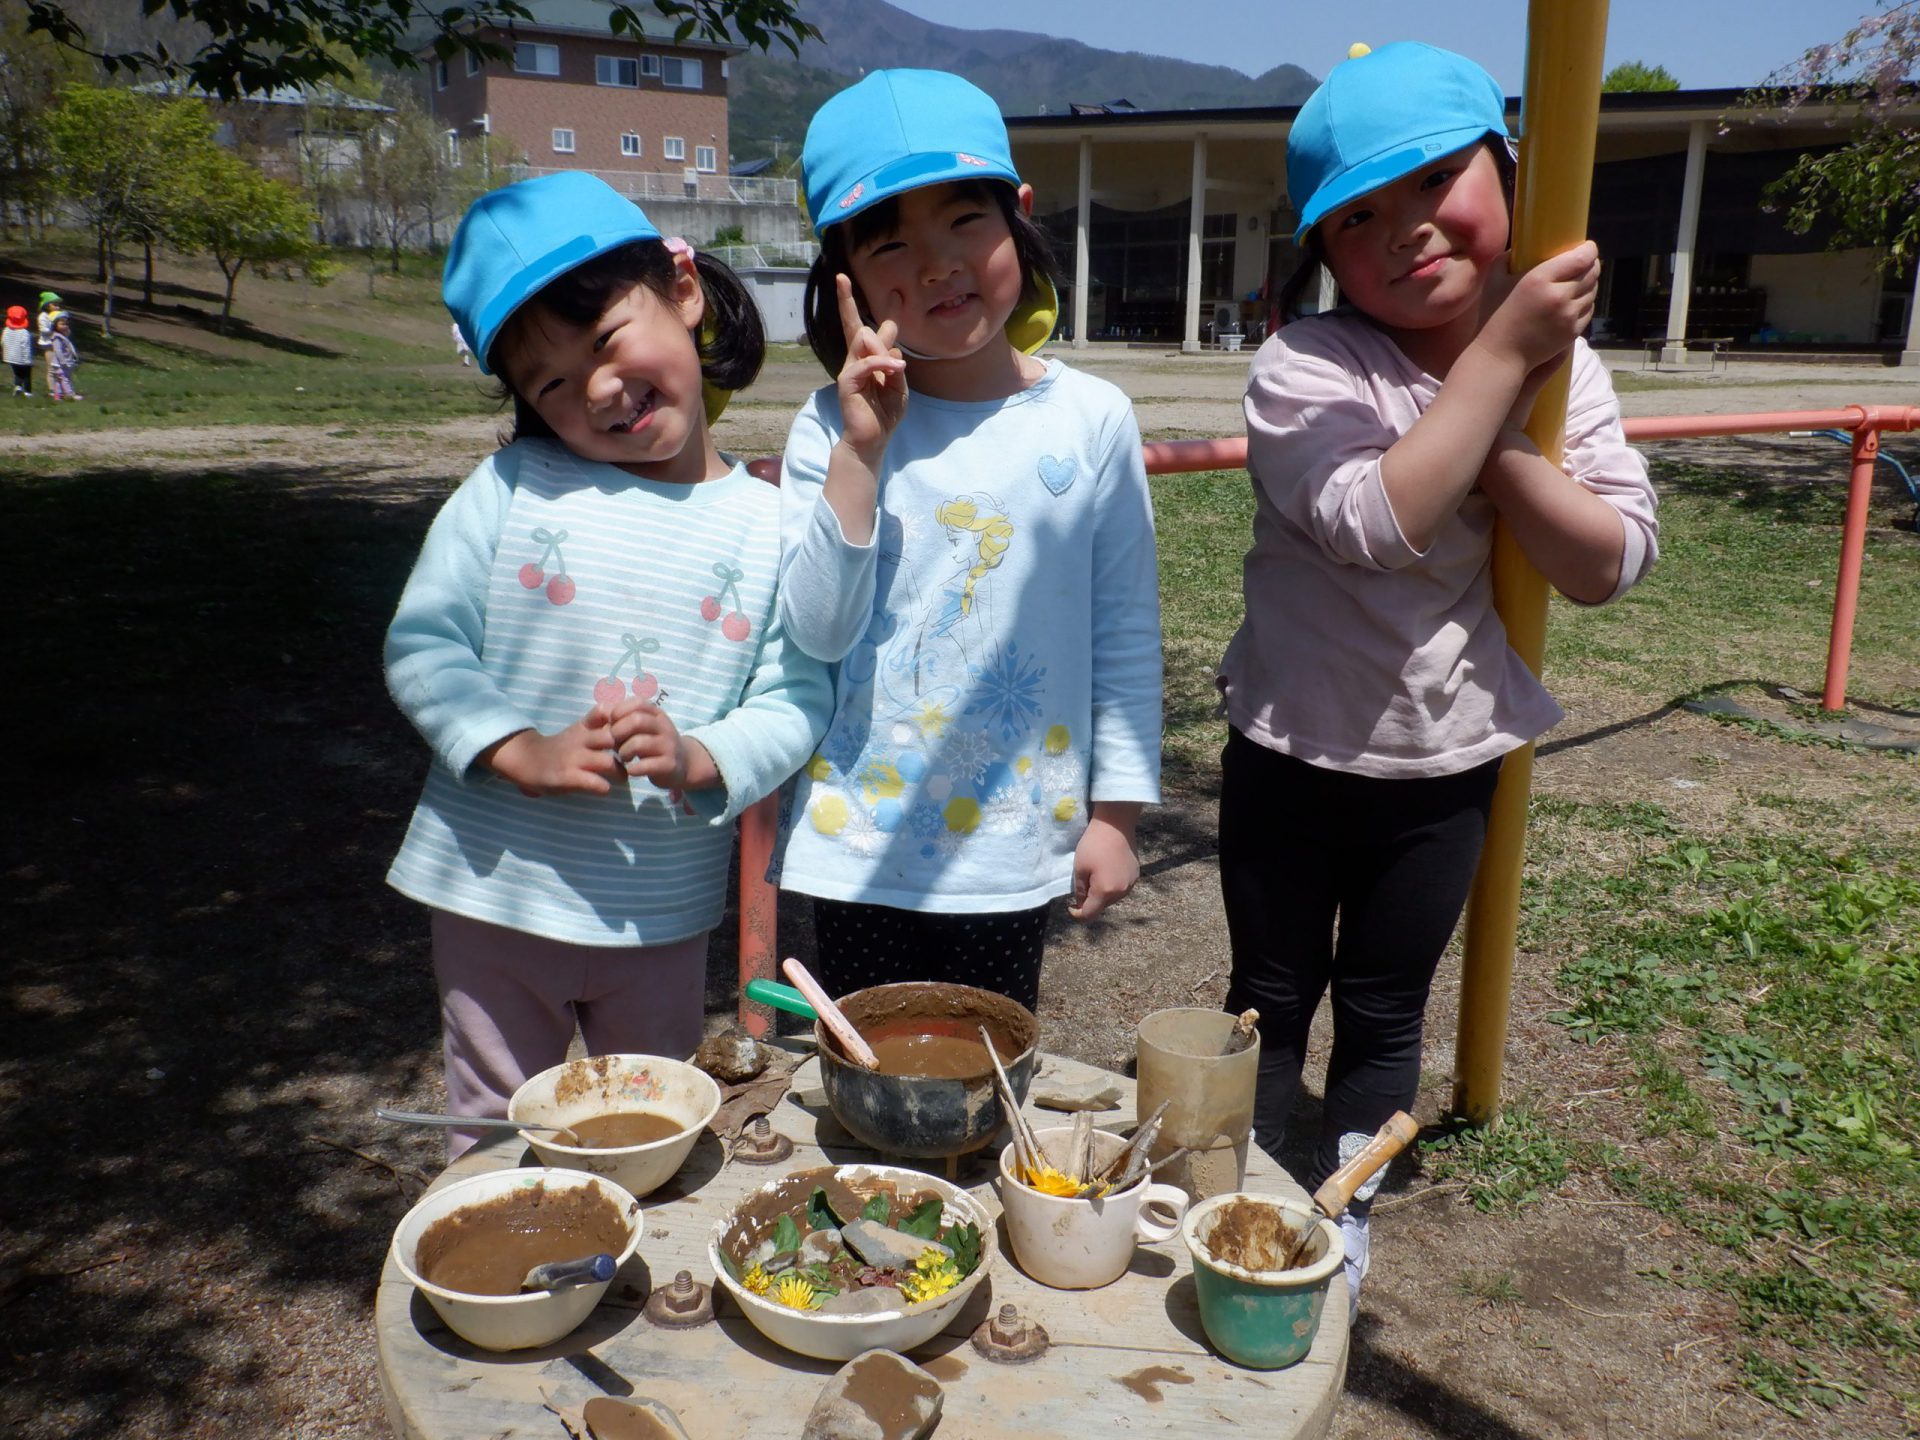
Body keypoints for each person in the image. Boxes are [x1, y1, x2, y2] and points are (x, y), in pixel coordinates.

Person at [1215, 42, 1658, 1315]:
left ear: (1506, 172)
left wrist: (1507, 439)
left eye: (1433, 182)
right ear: (1322, 250)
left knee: (1386, 1007)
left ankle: (1343, 1213)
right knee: (1269, 997)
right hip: (1292, 749)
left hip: (1444, 762)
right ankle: (1237, 1187)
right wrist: (1499, 361)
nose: (1405, 228)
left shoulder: (1564, 371)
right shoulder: (1308, 365)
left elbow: (1608, 560)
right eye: (1356, 218)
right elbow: (1378, 519)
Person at [384, 172, 834, 1157]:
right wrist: (516, 748)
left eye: (603, 340)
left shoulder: (769, 522)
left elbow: (797, 695)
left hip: (659, 910)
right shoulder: (513, 486)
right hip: (494, 896)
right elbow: (424, 641)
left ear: (684, 289)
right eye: (548, 382)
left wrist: (704, 755)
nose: (592, 388)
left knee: (649, 1129)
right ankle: (498, 1254)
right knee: (495, 1132)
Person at [772, 70, 1163, 1015]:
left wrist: (1116, 815)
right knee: (867, 1074)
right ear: (843, 274)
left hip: (1011, 844)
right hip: (857, 842)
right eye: (891, 243)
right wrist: (863, 454)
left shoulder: (1091, 418)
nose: (937, 264)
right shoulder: (828, 431)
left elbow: (1123, 629)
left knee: (986, 1065)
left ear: (1019, 216)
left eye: (964, 222)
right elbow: (815, 632)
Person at [47, 315, 81, 401]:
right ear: (55, 325)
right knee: (65, 378)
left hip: (63, 362)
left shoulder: (63, 336)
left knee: (59, 379)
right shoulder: (56, 337)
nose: (65, 326)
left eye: (66, 324)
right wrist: (63, 362)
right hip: (60, 363)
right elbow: (58, 351)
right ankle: (70, 394)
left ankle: (58, 395)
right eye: (62, 324)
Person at [3, 306, 31, 396]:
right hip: (21, 358)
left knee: (17, 373)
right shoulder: (24, 332)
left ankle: (18, 386)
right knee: (26, 374)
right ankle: (27, 392)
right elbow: (25, 347)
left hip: (10, 357)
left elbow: (3, 342)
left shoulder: (6, 330)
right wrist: (27, 360)